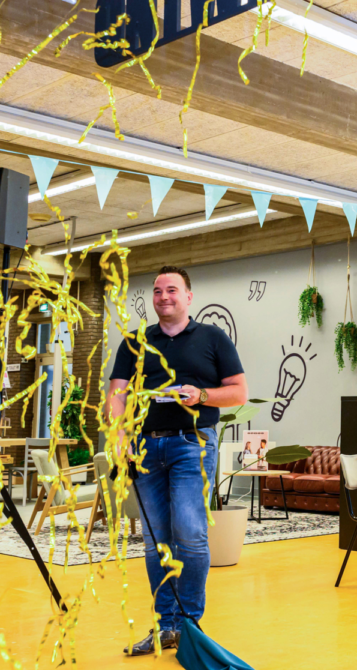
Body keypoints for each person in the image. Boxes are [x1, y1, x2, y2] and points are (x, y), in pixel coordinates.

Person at [106, 266, 247, 656]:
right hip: (146, 448)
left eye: (172, 290)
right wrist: (119, 436)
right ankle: (163, 626)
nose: (164, 296)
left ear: (188, 297)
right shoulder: (135, 342)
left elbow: (238, 393)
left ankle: (189, 627)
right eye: (157, 291)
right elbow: (117, 393)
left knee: (191, 534)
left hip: (193, 444)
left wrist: (201, 396)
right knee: (156, 542)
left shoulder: (212, 338)